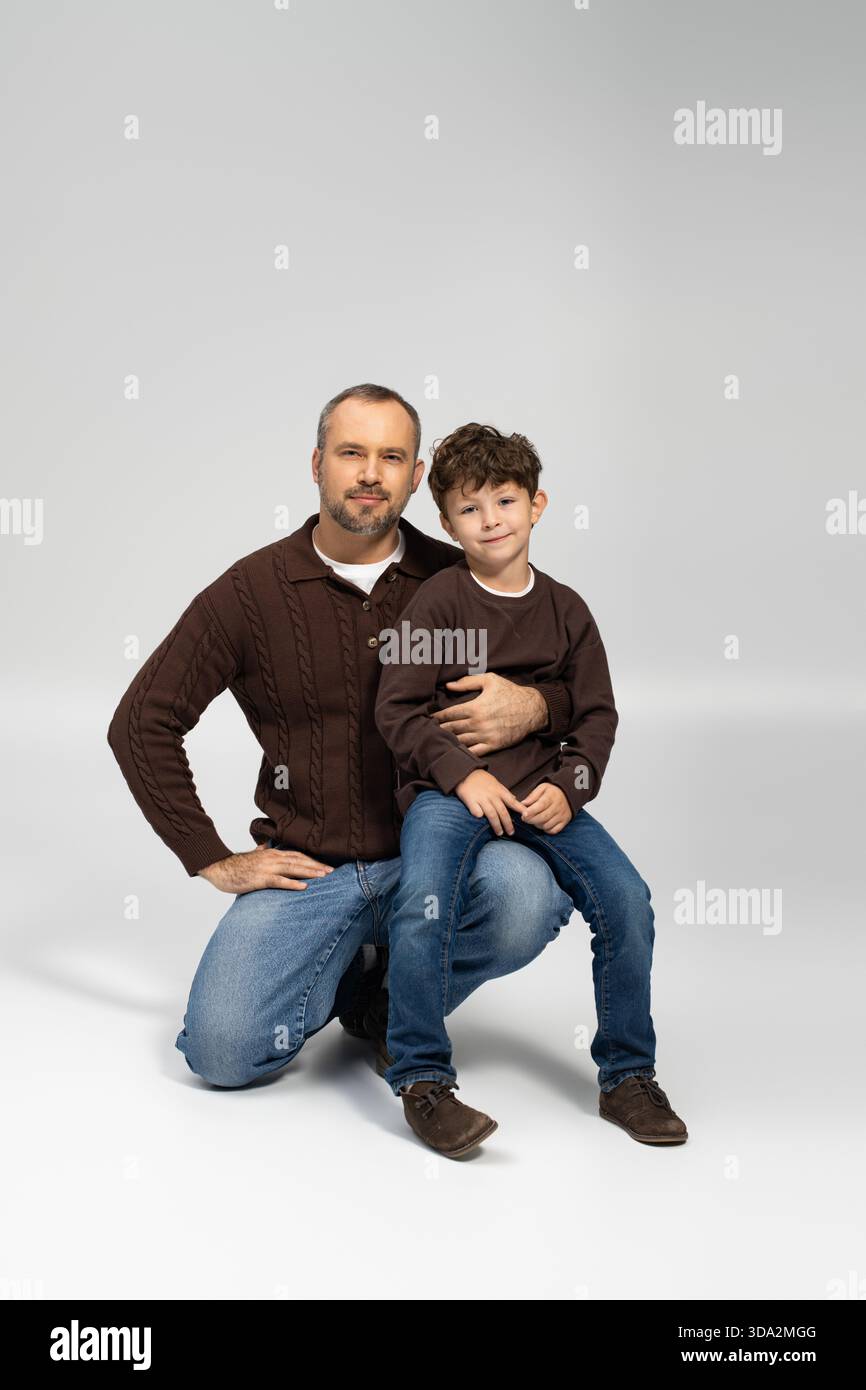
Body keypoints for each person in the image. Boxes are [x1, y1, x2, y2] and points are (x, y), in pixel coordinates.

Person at [106, 384, 577, 1100]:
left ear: (416, 477)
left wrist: (537, 705)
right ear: (317, 463)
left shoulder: (460, 576)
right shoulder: (251, 592)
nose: (370, 474)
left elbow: (574, 683)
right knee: (223, 1053)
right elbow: (141, 722)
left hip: (438, 856)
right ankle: (356, 968)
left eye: (392, 457)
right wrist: (210, 857)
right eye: (352, 453)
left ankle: (388, 1006)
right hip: (311, 870)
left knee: (526, 895)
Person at [374, 422, 688, 1156]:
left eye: (506, 501)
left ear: (537, 505)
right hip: (450, 795)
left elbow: (597, 715)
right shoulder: (438, 603)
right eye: (470, 508)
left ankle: (627, 1076)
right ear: (446, 523)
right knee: (423, 905)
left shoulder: (567, 611)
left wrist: (572, 788)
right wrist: (461, 774)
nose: (491, 520)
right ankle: (421, 1077)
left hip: (545, 793)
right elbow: (396, 709)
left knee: (628, 901)